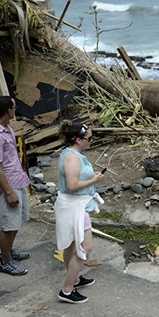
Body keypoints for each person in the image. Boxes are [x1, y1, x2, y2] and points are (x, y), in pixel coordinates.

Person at [0, 96, 32, 276]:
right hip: (7, 185)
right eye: (14, 107)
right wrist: (9, 192)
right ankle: (5, 261)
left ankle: (8, 252)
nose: (15, 110)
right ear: (8, 111)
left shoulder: (5, 127)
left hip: (16, 179)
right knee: (8, 224)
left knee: (15, 221)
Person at [54, 121, 105, 304]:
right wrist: (94, 180)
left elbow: (76, 178)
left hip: (76, 205)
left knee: (72, 245)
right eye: (89, 138)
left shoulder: (74, 154)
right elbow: (72, 185)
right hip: (75, 207)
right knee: (86, 246)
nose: (91, 141)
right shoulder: (72, 158)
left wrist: (92, 176)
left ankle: (74, 279)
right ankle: (67, 290)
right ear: (77, 139)